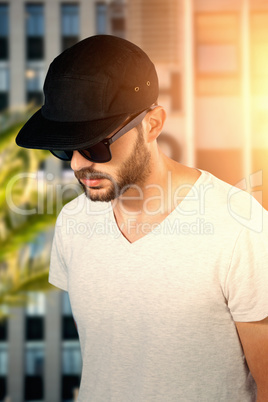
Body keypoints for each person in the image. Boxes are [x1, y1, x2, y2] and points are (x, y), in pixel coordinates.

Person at [16, 35, 268, 402]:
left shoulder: (239, 226)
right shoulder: (73, 222)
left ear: (151, 125)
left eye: (94, 145)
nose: (77, 164)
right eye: (64, 147)